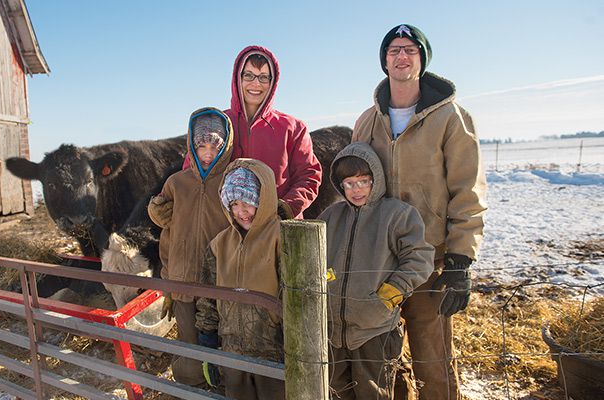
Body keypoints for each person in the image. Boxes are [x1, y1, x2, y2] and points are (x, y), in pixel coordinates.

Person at [352, 24, 487, 400]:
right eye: (394, 50)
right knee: (382, 357)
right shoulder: (367, 121)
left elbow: (467, 189)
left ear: (422, 60)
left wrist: (460, 260)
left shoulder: (449, 117)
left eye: (410, 50)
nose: (401, 56)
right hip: (378, 263)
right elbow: (353, 186)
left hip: (430, 260)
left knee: (433, 360)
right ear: (384, 61)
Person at [319, 142, 434, 399]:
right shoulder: (330, 216)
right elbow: (316, 260)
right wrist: (326, 283)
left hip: (375, 330)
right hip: (333, 331)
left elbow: (420, 259)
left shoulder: (397, 215)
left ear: (376, 179)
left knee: (374, 393)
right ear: (340, 186)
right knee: (335, 392)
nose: (356, 189)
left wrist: (387, 297)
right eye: (348, 183)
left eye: (363, 181)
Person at [147, 107, 233, 386]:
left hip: (221, 285)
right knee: (188, 345)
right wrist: (169, 281)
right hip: (183, 283)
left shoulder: (232, 180)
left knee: (222, 345)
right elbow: (167, 233)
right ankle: (188, 389)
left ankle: (222, 389)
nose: (207, 153)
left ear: (225, 145)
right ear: (192, 146)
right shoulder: (177, 183)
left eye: (214, 145)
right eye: (201, 145)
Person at [184, 45, 322, 219]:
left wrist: (286, 208)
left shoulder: (293, 128)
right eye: (248, 75)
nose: (256, 83)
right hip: (225, 228)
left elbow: (309, 176)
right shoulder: (217, 123)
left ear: (273, 82)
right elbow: (191, 172)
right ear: (237, 78)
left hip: (276, 227)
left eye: (264, 77)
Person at [195, 159, 285, 400]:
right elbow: (208, 298)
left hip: (273, 353)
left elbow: (294, 297)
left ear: (263, 201)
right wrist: (208, 344)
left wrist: (293, 348)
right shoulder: (219, 244)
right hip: (232, 352)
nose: (241, 211)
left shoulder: (283, 238)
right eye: (234, 203)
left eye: (248, 202)